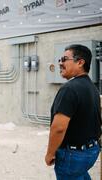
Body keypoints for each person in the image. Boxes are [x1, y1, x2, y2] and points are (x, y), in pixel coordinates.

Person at [45, 44, 101, 179]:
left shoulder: (69, 89)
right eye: (60, 60)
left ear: (80, 62)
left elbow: (58, 127)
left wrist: (50, 153)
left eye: (64, 59)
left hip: (73, 156)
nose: (60, 63)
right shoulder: (91, 87)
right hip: (91, 151)